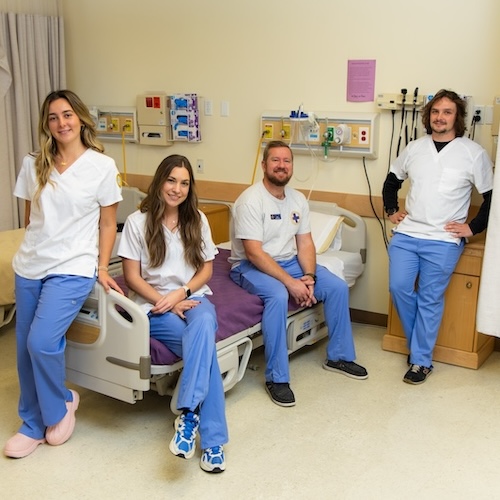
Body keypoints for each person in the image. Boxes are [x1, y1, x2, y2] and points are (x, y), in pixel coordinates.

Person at [4, 90, 123, 459]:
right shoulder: (33, 163)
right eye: (53, 117)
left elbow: (108, 223)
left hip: (72, 267)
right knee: (24, 349)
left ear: (81, 118)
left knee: (41, 341)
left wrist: (101, 268)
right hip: (30, 266)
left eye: (68, 114)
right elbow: (31, 219)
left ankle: (59, 405)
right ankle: (32, 423)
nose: (62, 123)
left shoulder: (102, 167)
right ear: (47, 124)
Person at [230, 140, 368, 408]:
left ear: (292, 166)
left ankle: (339, 356)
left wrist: (309, 277)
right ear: (264, 165)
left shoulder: (297, 199)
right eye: (275, 160)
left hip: (289, 261)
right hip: (249, 265)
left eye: (287, 161)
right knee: (278, 296)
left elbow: (305, 243)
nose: (281, 166)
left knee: (337, 287)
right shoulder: (250, 201)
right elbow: (255, 253)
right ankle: (277, 378)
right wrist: (291, 283)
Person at [118, 154, 227, 473]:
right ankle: (213, 443)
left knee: (205, 320)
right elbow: (132, 276)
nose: (176, 189)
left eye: (184, 183)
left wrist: (182, 294)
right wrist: (165, 301)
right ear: (159, 181)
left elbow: (206, 270)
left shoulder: (198, 220)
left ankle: (188, 415)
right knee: (205, 355)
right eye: (171, 180)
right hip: (153, 307)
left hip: (192, 296)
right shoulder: (138, 223)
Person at [383, 89, 493, 385]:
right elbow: (392, 181)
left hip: (444, 240)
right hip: (408, 234)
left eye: (447, 112)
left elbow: (490, 197)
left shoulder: (472, 153)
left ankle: (420, 361)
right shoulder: (415, 148)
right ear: (427, 116)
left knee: (430, 298)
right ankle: (419, 346)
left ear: (458, 118)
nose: (440, 117)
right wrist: (392, 210)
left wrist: (472, 228)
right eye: (435, 112)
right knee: (399, 288)